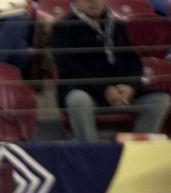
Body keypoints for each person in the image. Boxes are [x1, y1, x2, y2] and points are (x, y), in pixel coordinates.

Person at [51, 0, 170, 141]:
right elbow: (69, 68)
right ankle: (91, 152)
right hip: (88, 92)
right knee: (77, 100)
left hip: (120, 93)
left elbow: (133, 62)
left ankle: (135, 150)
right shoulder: (63, 28)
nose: (93, 2)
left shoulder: (117, 25)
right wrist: (105, 90)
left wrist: (129, 86)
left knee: (160, 100)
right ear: (75, 2)